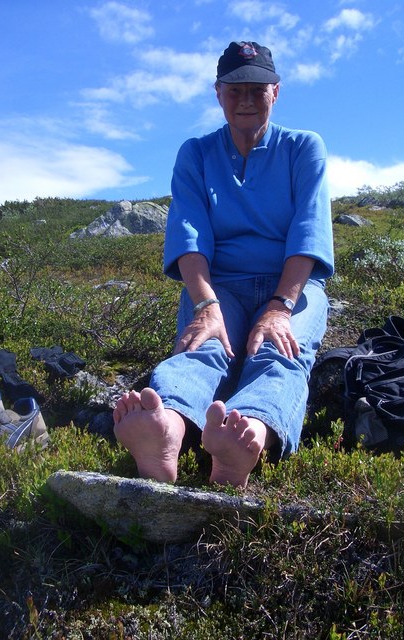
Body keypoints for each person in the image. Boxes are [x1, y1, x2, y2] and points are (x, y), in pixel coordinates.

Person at [113, 41, 334, 489]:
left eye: (257, 89)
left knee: (281, 351)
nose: (246, 100)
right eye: (235, 90)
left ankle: (249, 432)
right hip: (220, 287)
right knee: (201, 348)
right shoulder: (195, 154)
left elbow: (308, 233)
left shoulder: (303, 148)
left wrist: (279, 306)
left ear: (276, 91)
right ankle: (167, 429)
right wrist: (206, 305)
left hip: (292, 287)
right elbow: (188, 236)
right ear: (218, 94)